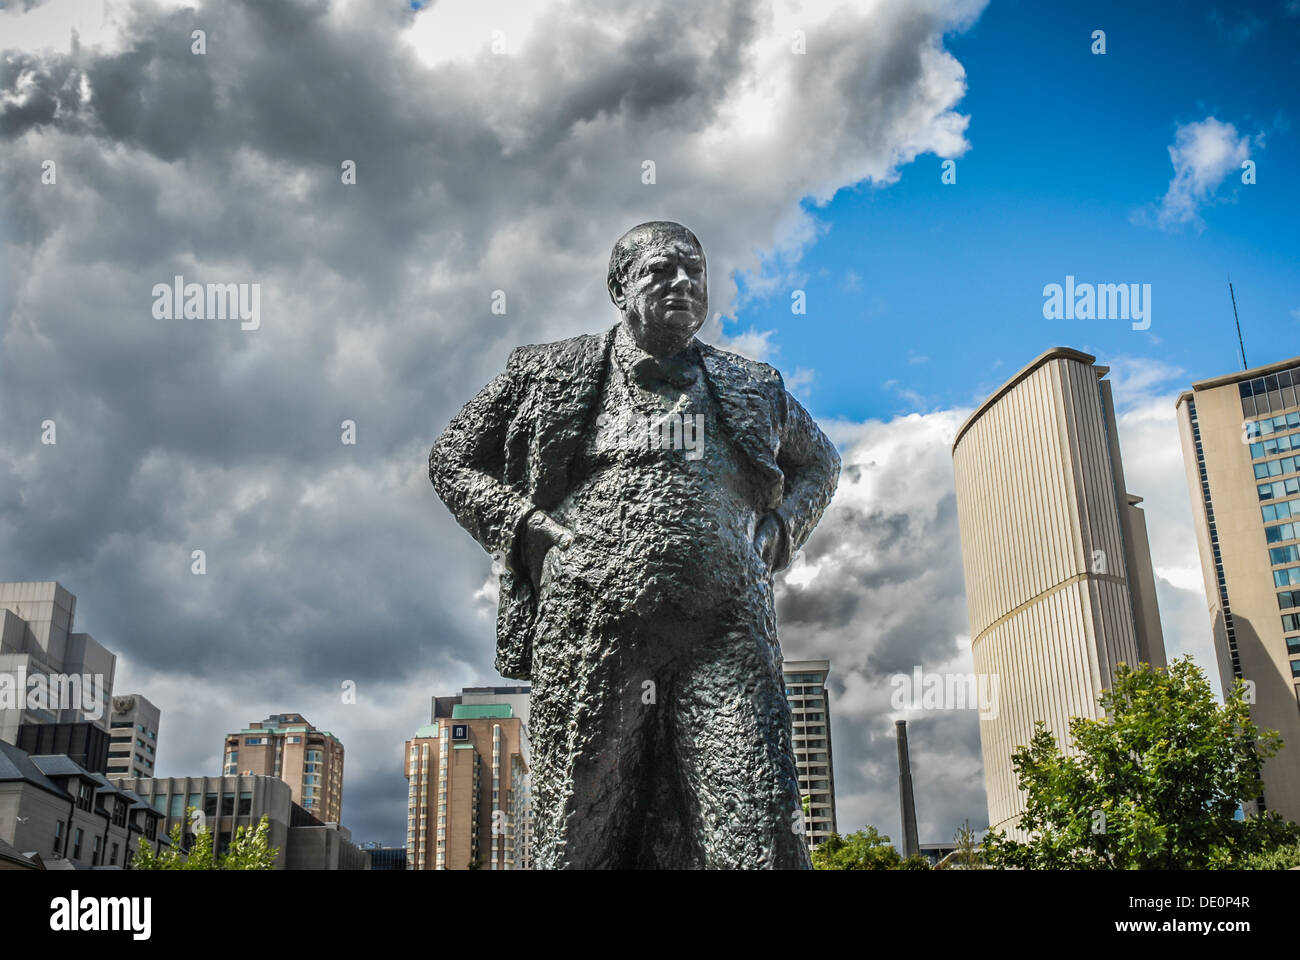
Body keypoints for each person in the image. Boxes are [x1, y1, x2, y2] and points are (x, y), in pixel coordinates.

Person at [430, 221, 840, 868]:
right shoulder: (548, 372)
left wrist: (782, 527)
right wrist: (524, 526)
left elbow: (822, 464)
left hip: (725, 630)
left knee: (758, 831)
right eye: (661, 270)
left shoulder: (752, 386)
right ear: (620, 287)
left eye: (695, 270)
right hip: (590, 631)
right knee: (579, 830)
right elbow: (452, 460)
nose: (683, 282)